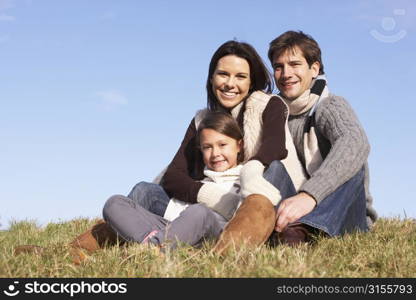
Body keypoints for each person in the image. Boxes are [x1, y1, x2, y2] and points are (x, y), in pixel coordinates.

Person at [70, 40, 298, 256]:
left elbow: (275, 147)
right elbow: (173, 176)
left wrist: (251, 171)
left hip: (260, 202)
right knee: (143, 191)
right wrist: (212, 196)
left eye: (240, 76)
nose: (230, 83)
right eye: (223, 74)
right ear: (211, 78)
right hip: (206, 210)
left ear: (251, 81)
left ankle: (228, 253)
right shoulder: (202, 120)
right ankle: (81, 249)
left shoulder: (268, 104)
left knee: (272, 169)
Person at [261, 30, 378, 245]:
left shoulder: (330, 105)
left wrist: (310, 195)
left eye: (295, 64)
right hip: (290, 208)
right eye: (279, 67)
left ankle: (305, 229)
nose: (286, 73)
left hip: (344, 216)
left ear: (314, 69)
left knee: (351, 159)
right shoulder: (272, 113)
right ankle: (276, 230)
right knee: (272, 165)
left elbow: (356, 143)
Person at [102, 112, 244, 250]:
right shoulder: (202, 178)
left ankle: (157, 247)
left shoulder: (244, 177)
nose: (215, 153)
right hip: (171, 227)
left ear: (239, 145)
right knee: (114, 203)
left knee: (200, 212)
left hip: (212, 232)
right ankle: (154, 245)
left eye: (222, 145)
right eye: (207, 147)